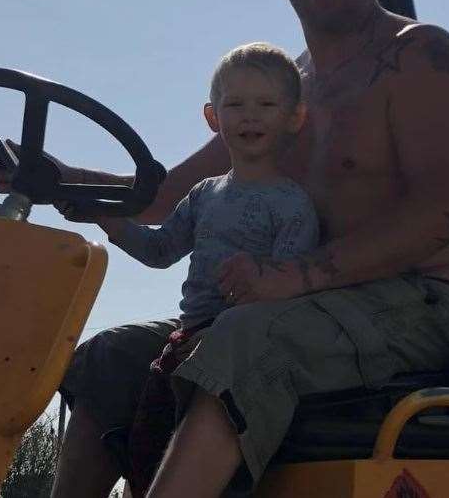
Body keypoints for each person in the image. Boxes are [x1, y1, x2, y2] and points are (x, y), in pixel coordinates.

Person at [0, 0, 449, 498]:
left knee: (243, 335)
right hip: (292, 305)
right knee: (112, 357)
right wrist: (63, 179)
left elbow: (439, 214)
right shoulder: (278, 94)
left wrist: (288, 280)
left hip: (414, 303)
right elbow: (164, 199)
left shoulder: (420, 57)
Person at [75, 42, 319, 495]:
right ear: (213, 118)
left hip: (233, 343)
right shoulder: (205, 194)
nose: (250, 116)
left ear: (294, 118)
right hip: (186, 337)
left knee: (169, 439)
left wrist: (260, 279)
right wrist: (103, 215)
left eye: (266, 105)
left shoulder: (293, 205)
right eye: (236, 105)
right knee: (142, 439)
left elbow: (290, 288)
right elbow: (160, 249)